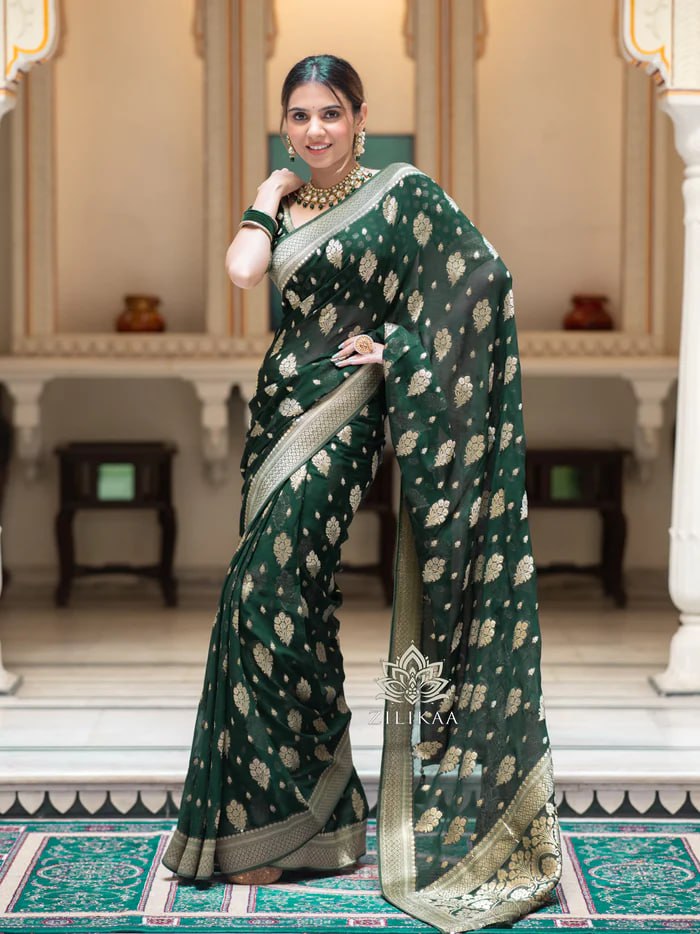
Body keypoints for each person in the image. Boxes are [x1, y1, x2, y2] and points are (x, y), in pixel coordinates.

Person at [161, 53, 562, 933]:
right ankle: (310, 822)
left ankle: (292, 817)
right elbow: (243, 271)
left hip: (341, 420)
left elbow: (483, 279)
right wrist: (264, 197)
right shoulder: (285, 204)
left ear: (360, 117)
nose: (315, 130)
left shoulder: (402, 194)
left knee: (269, 597)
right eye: (299, 116)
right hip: (276, 417)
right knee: (280, 603)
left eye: (331, 113)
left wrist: (397, 350)